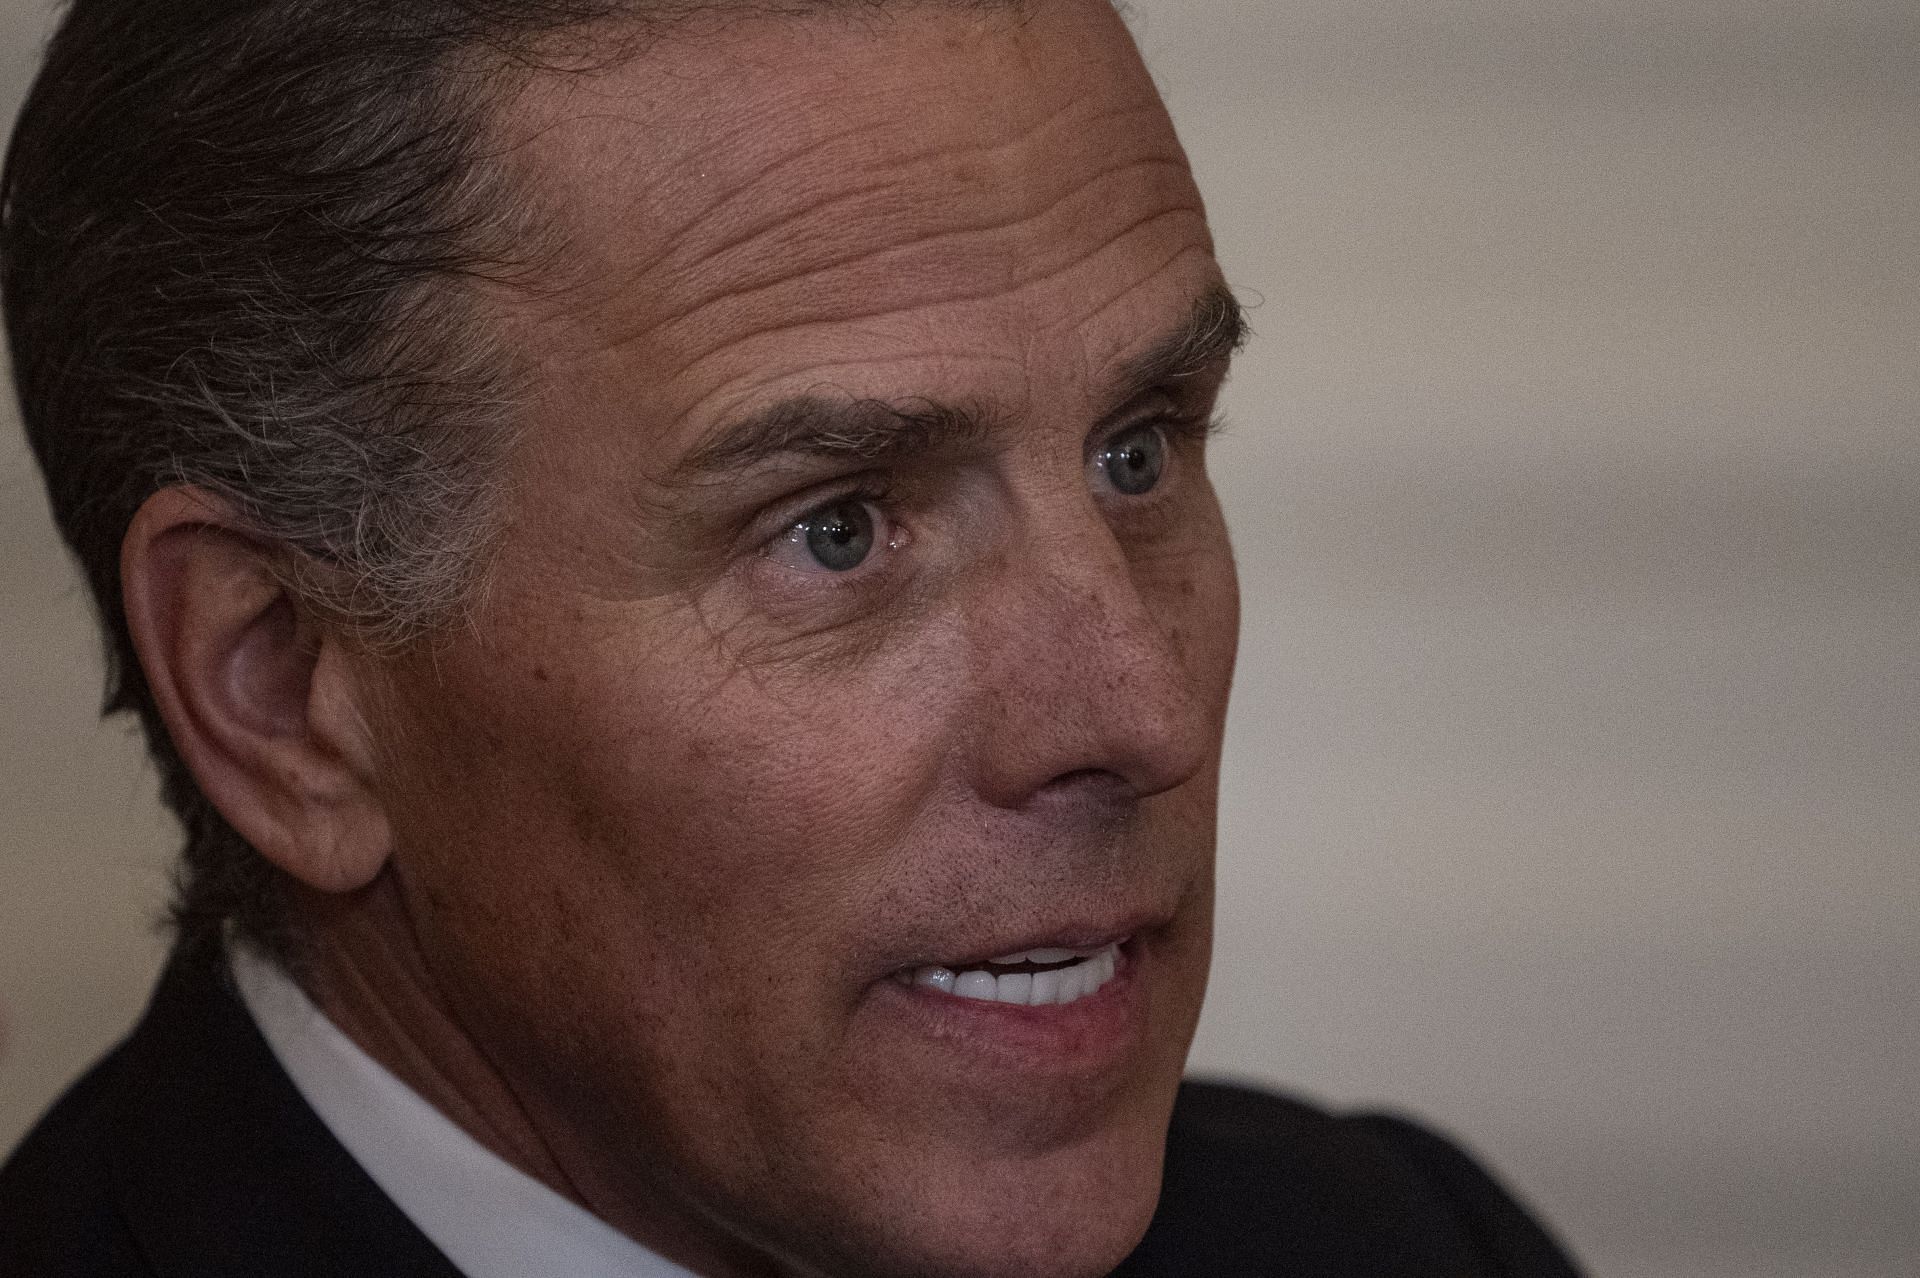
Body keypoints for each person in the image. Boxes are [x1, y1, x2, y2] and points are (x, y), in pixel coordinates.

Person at [0, 1, 1583, 1274]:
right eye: (837, 527)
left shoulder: (1397, 1240)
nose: (1141, 708)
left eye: (1140, 449)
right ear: (283, 683)